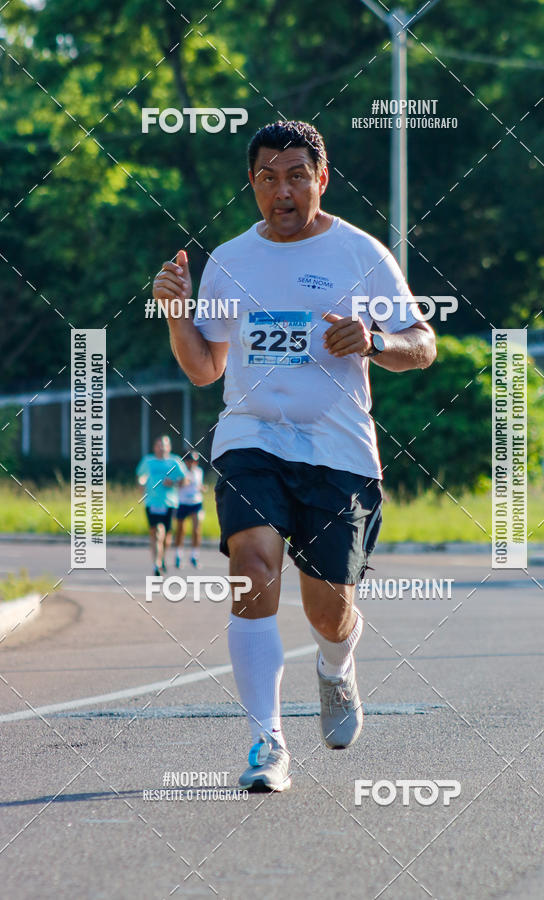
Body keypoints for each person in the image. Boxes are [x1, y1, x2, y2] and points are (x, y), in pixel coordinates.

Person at [152, 120, 436, 792]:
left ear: (322, 179)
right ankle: (266, 742)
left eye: (297, 176)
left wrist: (370, 341)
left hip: (339, 452)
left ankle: (337, 667)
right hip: (252, 437)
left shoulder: (360, 255)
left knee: (327, 608)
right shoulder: (230, 260)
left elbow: (422, 345)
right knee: (251, 565)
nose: (284, 191)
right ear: (252, 183)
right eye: (269, 178)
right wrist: (175, 314)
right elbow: (203, 369)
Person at [136, 435, 187, 577]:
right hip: (152, 502)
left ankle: (162, 557)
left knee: (167, 536)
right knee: (156, 532)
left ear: (169, 447)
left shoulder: (175, 462)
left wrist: (174, 483)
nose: (162, 448)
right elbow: (141, 476)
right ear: (154, 447)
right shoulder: (148, 461)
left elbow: (185, 480)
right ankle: (157, 564)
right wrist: (141, 483)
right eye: (159, 445)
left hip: (170, 503)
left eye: (164, 445)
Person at [174, 451, 207, 569]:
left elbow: (199, 485)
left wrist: (203, 488)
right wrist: (182, 482)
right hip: (183, 503)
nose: (193, 464)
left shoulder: (199, 472)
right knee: (181, 530)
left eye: (195, 461)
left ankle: (194, 555)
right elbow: (176, 484)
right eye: (190, 461)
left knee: (197, 529)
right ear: (186, 462)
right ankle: (178, 554)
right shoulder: (181, 472)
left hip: (196, 503)